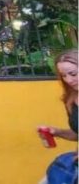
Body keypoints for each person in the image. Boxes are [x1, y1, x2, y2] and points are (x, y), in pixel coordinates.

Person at [38, 49, 78, 184]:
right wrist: (56, 132)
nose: (69, 80)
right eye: (64, 76)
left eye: (73, 74)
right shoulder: (71, 100)